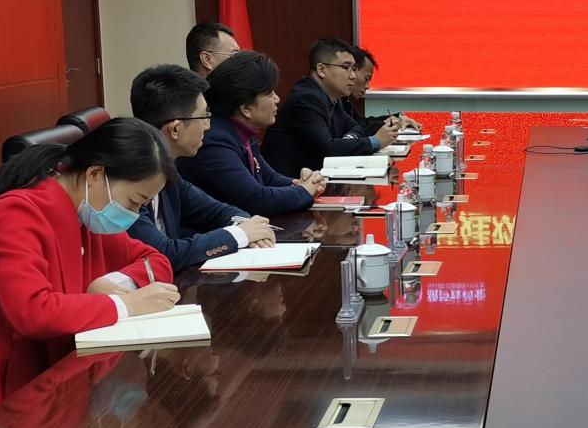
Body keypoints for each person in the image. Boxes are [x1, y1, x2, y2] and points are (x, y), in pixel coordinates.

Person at [0, 118, 179, 428]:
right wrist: (123, 305)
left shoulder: (87, 215)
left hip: (62, 391)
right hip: (1, 408)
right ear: (95, 175)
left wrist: (114, 282)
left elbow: (155, 261)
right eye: (133, 202)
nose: (133, 214)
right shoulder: (16, 215)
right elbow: (33, 311)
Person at [127, 64, 277, 273]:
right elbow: (163, 253)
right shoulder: (130, 178)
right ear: (176, 129)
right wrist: (240, 235)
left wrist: (248, 228)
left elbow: (216, 211)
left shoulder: (169, 171)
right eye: (204, 117)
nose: (208, 125)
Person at [176, 50, 326, 215]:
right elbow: (257, 200)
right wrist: (304, 191)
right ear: (246, 108)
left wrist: (303, 183)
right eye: (270, 93)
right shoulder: (215, 141)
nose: (277, 99)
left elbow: (269, 178)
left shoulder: (239, 132)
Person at [262, 38, 398, 175]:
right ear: (321, 70)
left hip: (316, 178)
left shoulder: (332, 96)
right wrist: (375, 141)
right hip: (286, 182)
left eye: (353, 69)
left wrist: (345, 141)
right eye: (346, 67)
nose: (352, 76)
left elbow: (356, 127)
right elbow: (328, 149)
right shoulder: (306, 98)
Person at [344, 46, 420, 136]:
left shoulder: (343, 100)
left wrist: (396, 117)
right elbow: (352, 132)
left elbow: (362, 123)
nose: (368, 86)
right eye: (366, 79)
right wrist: (382, 125)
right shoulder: (333, 102)